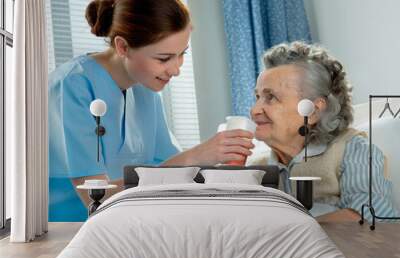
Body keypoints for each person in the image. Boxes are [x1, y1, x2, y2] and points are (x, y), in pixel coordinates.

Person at [49, 0, 254, 221]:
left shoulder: (145, 89)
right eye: (164, 58)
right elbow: (96, 199)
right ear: (123, 47)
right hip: (70, 233)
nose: (176, 70)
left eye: (182, 53)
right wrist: (194, 157)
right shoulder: (73, 85)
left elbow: (170, 175)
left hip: (134, 225)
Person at [247, 41, 399, 221]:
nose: (255, 110)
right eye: (257, 97)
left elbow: (371, 214)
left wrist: (286, 237)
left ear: (313, 111)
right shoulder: (254, 168)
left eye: (270, 97)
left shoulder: (352, 150)